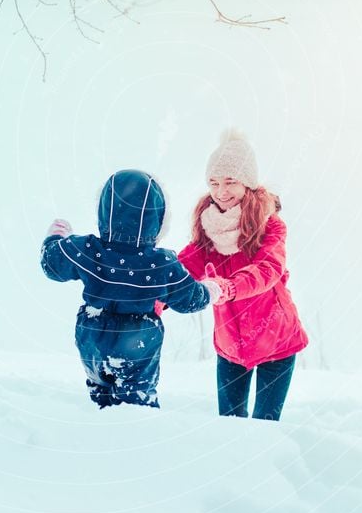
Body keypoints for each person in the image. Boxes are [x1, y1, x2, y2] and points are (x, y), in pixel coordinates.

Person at [40, 169, 224, 409]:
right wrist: (210, 290)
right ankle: (136, 430)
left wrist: (55, 237)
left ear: (105, 212)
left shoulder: (88, 250)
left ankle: (102, 415)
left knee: (100, 390)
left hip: (91, 332)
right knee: (137, 399)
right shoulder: (160, 263)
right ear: (156, 220)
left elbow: (52, 263)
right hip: (137, 338)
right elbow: (189, 299)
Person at [178, 130, 308, 421]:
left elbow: (268, 270)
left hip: (276, 341)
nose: (221, 191)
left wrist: (227, 288)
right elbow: (180, 270)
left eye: (230, 182)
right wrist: (154, 301)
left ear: (247, 183)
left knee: (264, 427)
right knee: (230, 427)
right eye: (214, 183)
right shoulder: (207, 231)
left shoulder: (270, 226)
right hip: (230, 346)